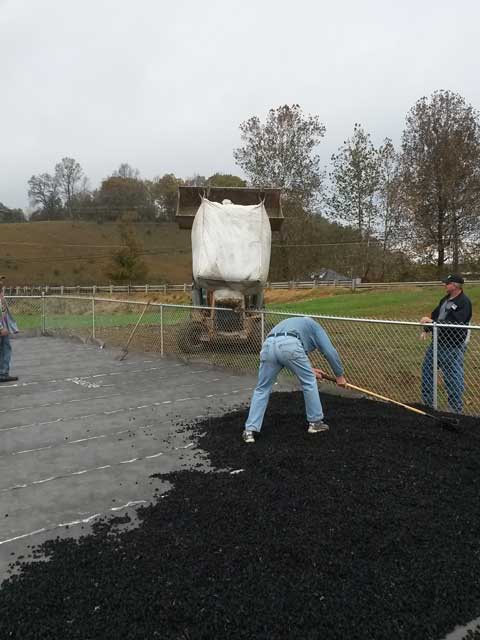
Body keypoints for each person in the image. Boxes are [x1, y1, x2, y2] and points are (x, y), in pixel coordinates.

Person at [243, 316, 346, 443]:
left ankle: (249, 430)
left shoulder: (294, 324)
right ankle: (315, 423)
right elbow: (329, 352)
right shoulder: (315, 327)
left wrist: (310, 369)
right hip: (290, 346)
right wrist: (339, 375)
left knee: (262, 388)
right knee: (309, 382)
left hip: (268, 346)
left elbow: (281, 352)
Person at [420, 274, 472, 413]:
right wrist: (427, 328)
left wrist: (432, 322)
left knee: (452, 376)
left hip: (452, 346)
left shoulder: (464, 302)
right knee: (427, 371)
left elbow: (457, 324)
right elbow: (436, 315)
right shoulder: (445, 299)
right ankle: (428, 404)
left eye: (447, 283)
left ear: (455, 285)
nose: (444, 285)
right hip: (437, 343)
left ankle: (455, 409)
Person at [0, 274, 19, 383]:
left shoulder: (1, 298)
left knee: (5, 349)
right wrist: (1, 328)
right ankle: (2, 374)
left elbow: (5, 313)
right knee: (4, 350)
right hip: (1, 329)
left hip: (4, 328)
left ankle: (3, 373)